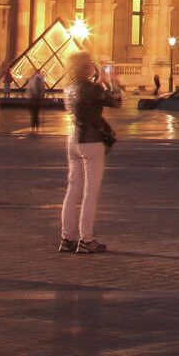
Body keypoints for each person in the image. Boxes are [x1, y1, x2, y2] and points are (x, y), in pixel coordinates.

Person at [59, 52, 121, 253]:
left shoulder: (68, 89)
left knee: (72, 191)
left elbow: (84, 103)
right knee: (90, 193)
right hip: (92, 142)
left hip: (73, 141)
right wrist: (113, 82)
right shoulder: (93, 89)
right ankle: (86, 240)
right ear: (87, 67)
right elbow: (116, 101)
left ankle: (67, 238)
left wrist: (98, 84)